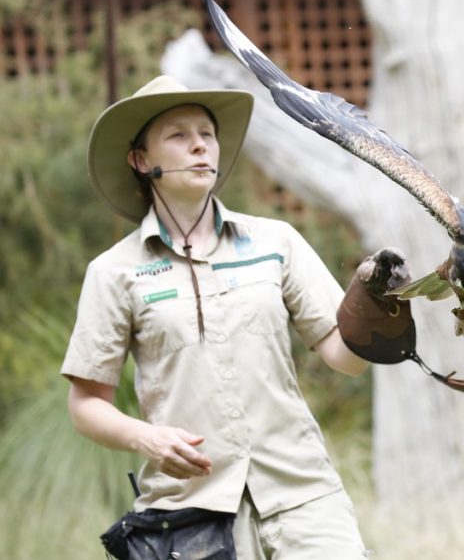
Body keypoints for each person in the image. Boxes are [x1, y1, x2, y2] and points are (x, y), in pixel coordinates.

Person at [61, 75, 372, 559]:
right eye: (179, 136)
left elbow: (346, 358)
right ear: (142, 161)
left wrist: (380, 306)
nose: (199, 146)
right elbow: (85, 405)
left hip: (303, 493)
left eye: (207, 134)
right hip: (189, 512)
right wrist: (148, 438)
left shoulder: (277, 242)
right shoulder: (113, 272)